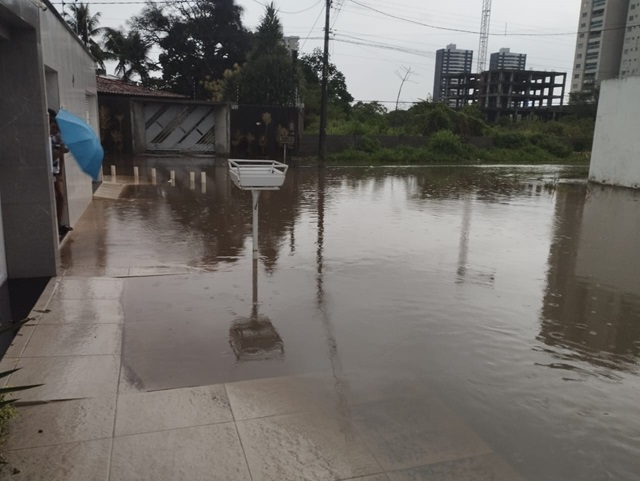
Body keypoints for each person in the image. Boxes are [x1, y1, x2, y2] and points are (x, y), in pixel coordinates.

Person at [48, 109, 72, 237]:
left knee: (60, 197)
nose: (54, 129)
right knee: (54, 198)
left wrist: (61, 173)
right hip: (48, 172)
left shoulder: (57, 136)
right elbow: (50, 156)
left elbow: (62, 153)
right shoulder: (45, 138)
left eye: (55, 127)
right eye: (52, 126)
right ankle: (54, 227)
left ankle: (58, 225)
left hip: (56, 171)